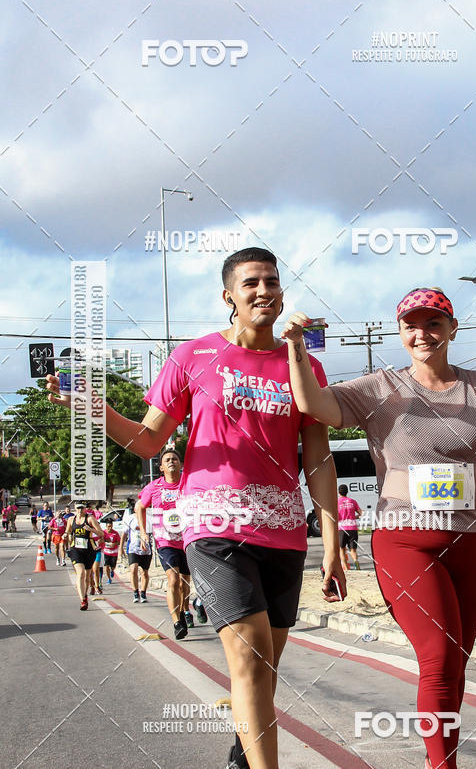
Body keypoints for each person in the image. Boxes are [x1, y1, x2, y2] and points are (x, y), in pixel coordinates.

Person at [46, 246, 345, 769]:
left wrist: (333, 542)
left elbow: (317, 459)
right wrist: (95, 407)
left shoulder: (304, 361)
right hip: (214, 526)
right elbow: (146, 441)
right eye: (251, 283)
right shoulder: (193, 356)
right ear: (228, 295)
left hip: (284, 532)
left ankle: (240, 755)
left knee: (264, 671)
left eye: (272, 282)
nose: (264, 291)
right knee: (251, 661)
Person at [282, 287, 476, 769]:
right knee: (437, 656)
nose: (423, 334)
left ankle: (440, 755)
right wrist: (294, 345)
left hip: (471, 541)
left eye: (434, 323)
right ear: (400, 333)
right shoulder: (380, 389)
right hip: (403, 541)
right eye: (412, 326)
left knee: (456, 661)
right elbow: (313, 404)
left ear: (452, 329)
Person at [136, 447, 194, 640]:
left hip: (187, 540)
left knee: (185, 585)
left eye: (175, 459)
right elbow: (139, 507)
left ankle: (186, 610)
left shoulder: (189, 483)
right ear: (161, 467)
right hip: (165, 541)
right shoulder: (154, 487)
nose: (171, 461)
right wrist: (144, 533)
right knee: (173, 580)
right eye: (167, 459)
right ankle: (177, 621)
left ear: (181, 465)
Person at [66, 502, 105, 610]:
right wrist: (67, 536)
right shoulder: (71, 520)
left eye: (82, 508)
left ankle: (85, 595)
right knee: (80, 572)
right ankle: (82, 600)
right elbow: (68, 531)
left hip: (88, 550)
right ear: (75, 509)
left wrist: (90, 529)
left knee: (87, 576)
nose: (80, 510)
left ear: (85, 509)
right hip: (76, 549)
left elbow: (101, 533)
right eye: (78, 508)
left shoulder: (90, 518)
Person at [118, 511, 153, 603]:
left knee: (144, 572)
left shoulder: (149, 518)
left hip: (146, 549)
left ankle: (143, 593)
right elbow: (124, 534)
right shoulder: (130, 518)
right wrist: (121, 548)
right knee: (133, 569)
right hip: (133, 548)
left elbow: (153, 533)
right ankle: (135, 592)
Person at [337, 485, 362, 570]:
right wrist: (353, 517)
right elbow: (361, 513)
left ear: (339, 492)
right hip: (353, 528)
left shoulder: (337, 502)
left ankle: (346, 568)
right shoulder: (353, 501)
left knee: (342, 549)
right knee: (353, 550)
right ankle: (356, 563)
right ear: (347, 492)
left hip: (342, 529)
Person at [101, 519, 121, 584]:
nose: (109, 528)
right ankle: (109, 579)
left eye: (111, 526)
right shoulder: (103, 533)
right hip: (106, 551)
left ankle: (112, 570)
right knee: (106, 566)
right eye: (108, 526)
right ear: (106, 526)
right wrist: (104, 541)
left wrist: (114, 544)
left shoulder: (115, 533)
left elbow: (119, 542)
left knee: (113, 566)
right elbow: (101, 540)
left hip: (114, 552)